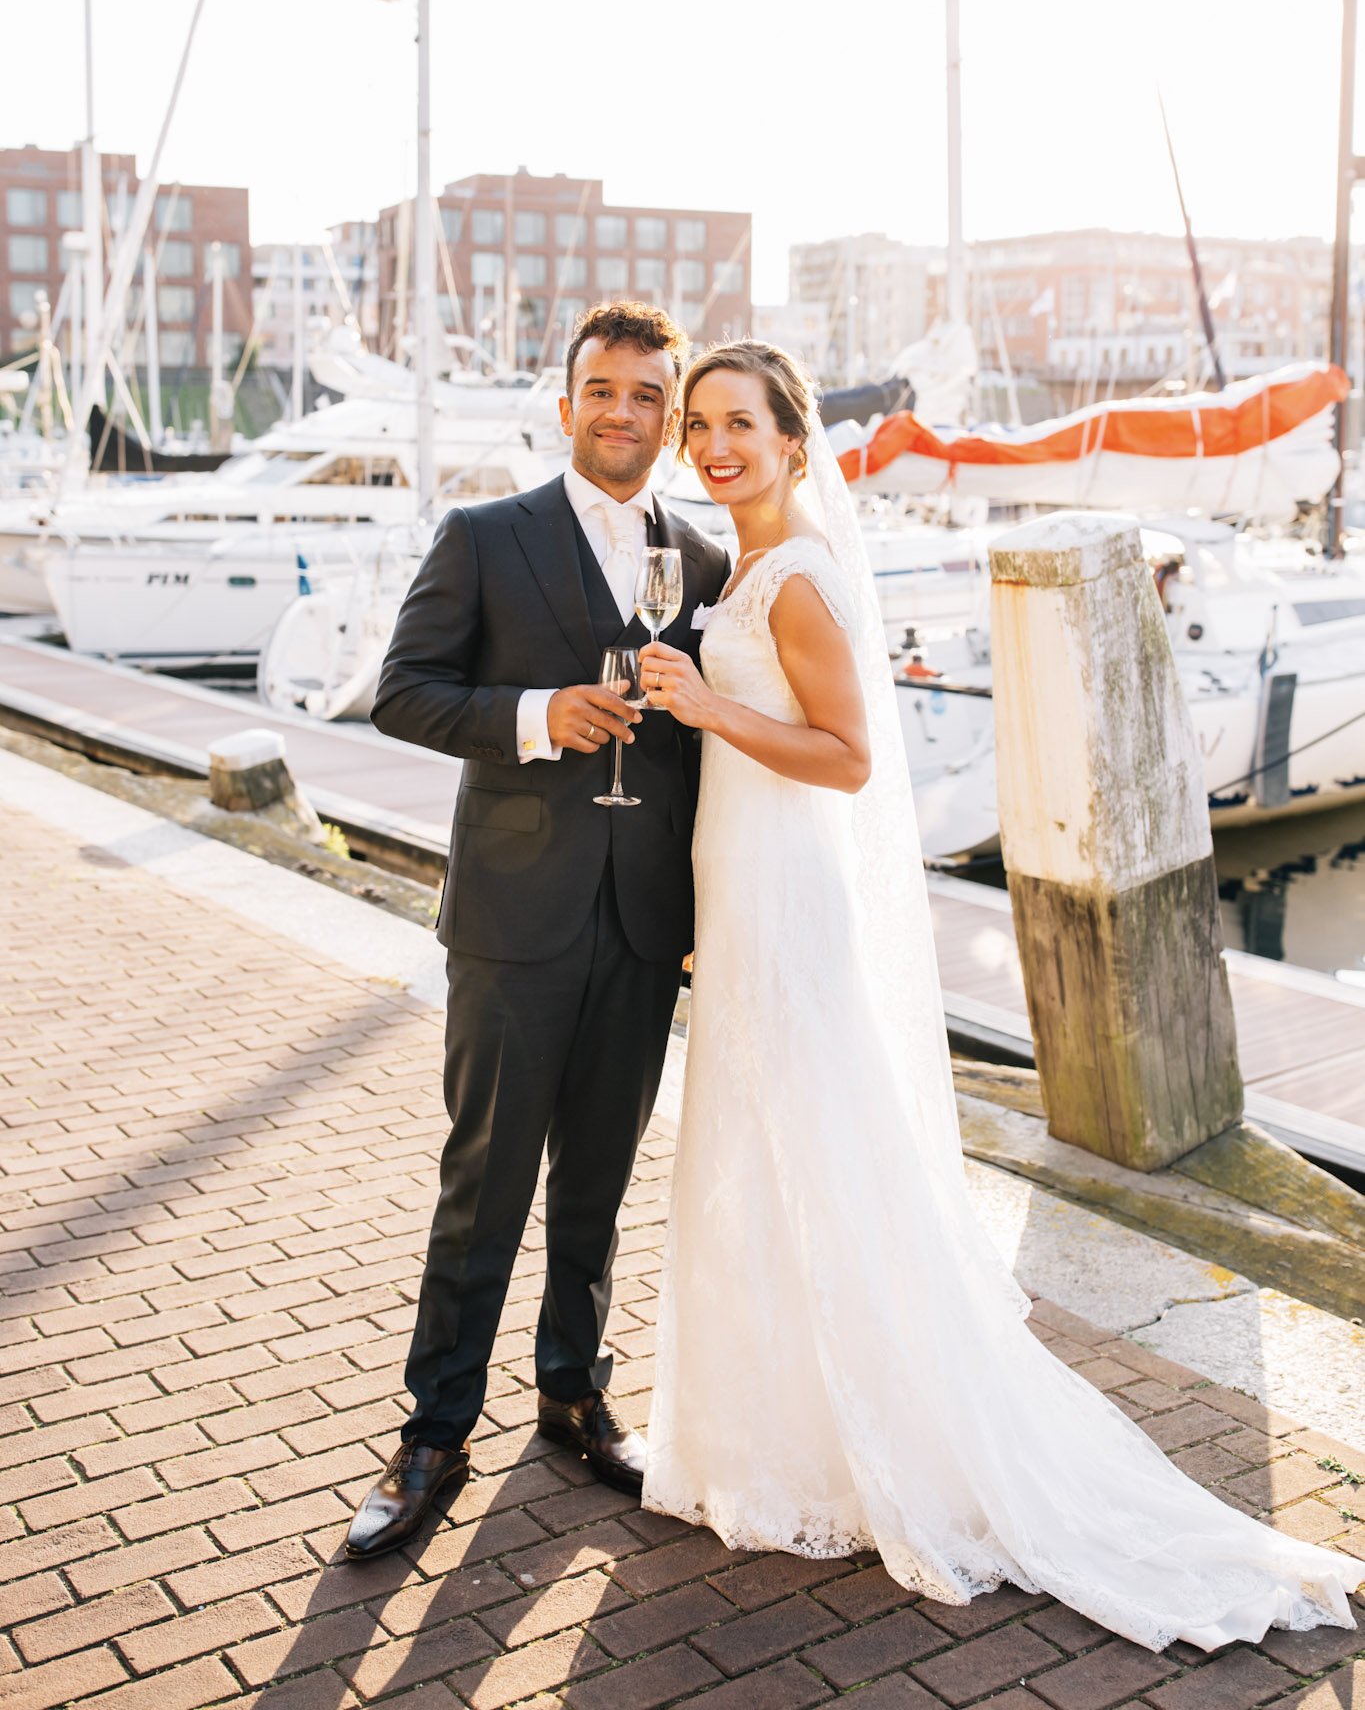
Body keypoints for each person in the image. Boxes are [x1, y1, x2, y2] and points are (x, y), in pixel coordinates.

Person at [636, 338, 1363, 1652]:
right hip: (741, 895)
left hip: (790, 897)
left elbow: (850, 759)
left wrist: (702, 708)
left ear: (795, 441)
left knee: (818, 1153)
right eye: (700, 424)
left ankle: (862, 1442)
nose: (712, 443)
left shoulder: (795, 577)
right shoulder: (743, 562)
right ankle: (764, 1433)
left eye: (736, 421)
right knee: (759, 1151)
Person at [344, 302, 729, 1561]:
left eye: (647, 395)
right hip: (514, 920)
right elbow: (402, 690)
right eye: (601, 390)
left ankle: (572, 1390)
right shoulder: (485, 536)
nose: (623, 412)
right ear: (564, 404)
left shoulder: (708, 562)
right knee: (484, 1183)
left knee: (600, 1184)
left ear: (672, 416)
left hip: (640, 923)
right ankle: (433, 1429)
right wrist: (528, 714)